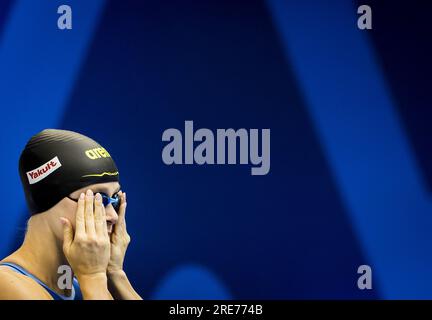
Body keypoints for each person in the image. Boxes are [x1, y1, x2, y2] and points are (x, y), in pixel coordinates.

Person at [0, 129, 142, 300]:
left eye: (114, 200)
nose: (113, 216)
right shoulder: (8, 285)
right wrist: (93, 276)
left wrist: (115, 273)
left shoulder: (84, 288)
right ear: (48, 200)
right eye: (96, 199)